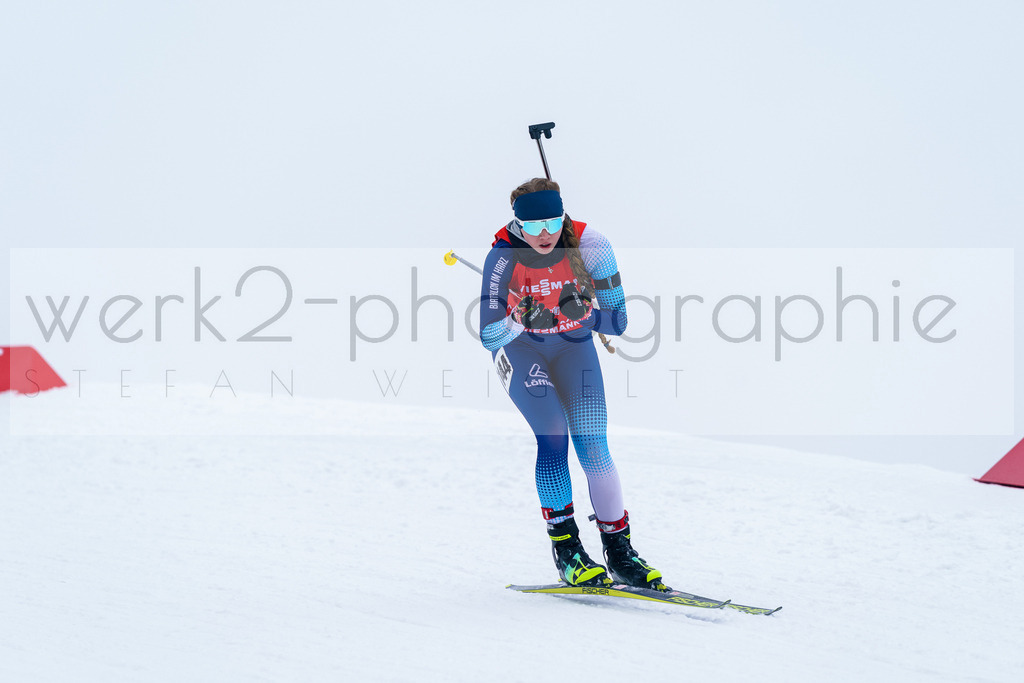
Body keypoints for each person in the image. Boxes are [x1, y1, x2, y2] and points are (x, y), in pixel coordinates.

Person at [479, 177, 668, 591]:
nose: (544, 234)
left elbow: (618, 322)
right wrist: (517, 320)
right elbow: (487, 335)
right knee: (553, 436)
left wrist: (581, 316)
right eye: (533, 226)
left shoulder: (592, 245)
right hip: (522, 350)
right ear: (517, 226)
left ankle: (620, 553)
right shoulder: (503, 257)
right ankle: (567, 551)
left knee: (594, 444)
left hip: (572, 347)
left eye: (552, 221)